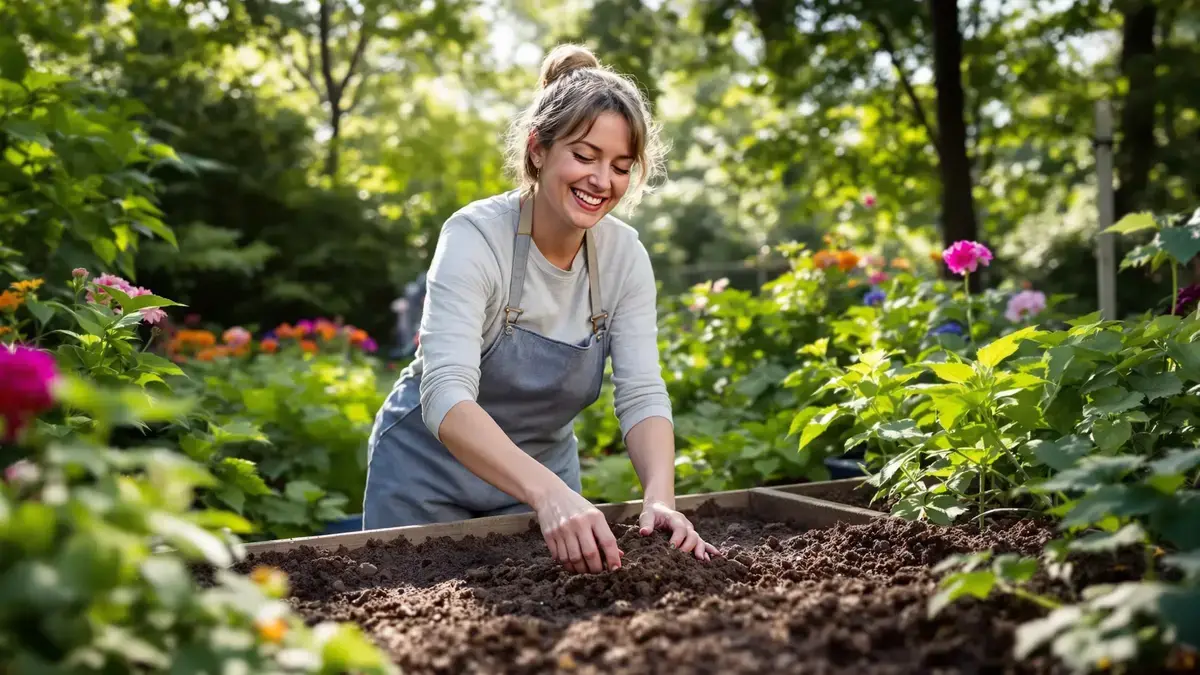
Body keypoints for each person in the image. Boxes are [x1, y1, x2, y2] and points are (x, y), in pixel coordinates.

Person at [362, 44, 719, 574]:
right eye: (585, 156)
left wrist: (660, 497)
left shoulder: (623, 257)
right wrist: (549, 493)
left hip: (544, 493)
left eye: (621, 166)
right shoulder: (475, 237)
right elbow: (445, 394)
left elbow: (642, 391)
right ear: (537, 150)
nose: (602, 181)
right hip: (424, 482)